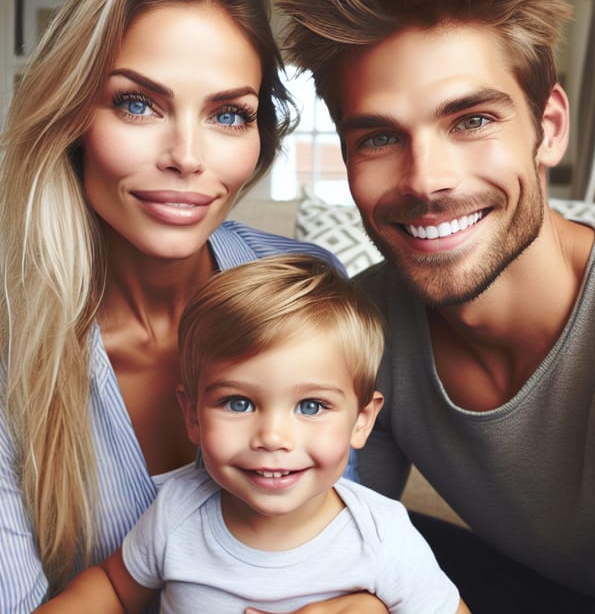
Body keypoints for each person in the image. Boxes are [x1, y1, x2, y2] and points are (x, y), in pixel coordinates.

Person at [278, 0, 595, 613]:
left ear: (549, 128)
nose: (426, 180)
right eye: (379, 136)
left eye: (471, 120)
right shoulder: (367, 327)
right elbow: (331, 553)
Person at [0, 0, 385, 614]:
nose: (187, 155)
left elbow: (336, 547)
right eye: (137, 103)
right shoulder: (13, 341)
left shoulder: (303, 283)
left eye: (228, 114)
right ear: (70, 116)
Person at [35, 253, 471, 614]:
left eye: (311, 406)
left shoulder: (380, 537)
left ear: (362, 420)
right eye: (238, 403)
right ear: (192, 414)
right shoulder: (178, 512)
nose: (273, 437)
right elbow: (113, 586)